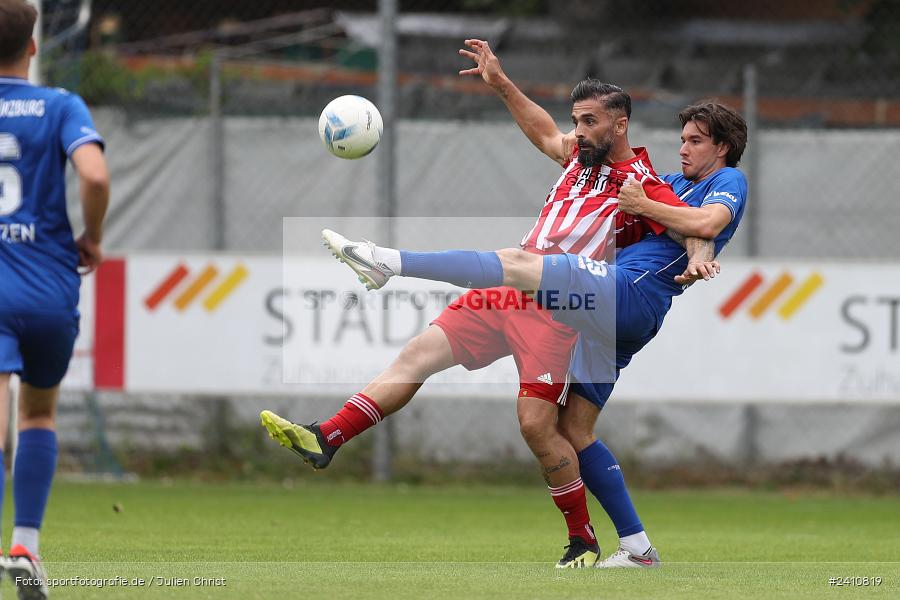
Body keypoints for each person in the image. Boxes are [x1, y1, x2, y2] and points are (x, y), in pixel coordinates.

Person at [262, 39, 721, 568]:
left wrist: (701, 253)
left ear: (620, 125)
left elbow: (687, 222)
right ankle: (328, 437)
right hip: (508, 288)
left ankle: (583, 540)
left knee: (534, 425)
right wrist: (500, 82)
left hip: (556, 306)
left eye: (590, 121)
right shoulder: (577, 157)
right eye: (577, 119)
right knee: (417, 357)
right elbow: (543, 131)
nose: (579, 130)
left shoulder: (642, 184)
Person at [0, 1, 109, 596]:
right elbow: (93, 176)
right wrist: (91, 236)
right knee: (37, 414)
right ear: (34, 47)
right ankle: (26, 546)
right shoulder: (60, 104)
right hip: (47, 286)